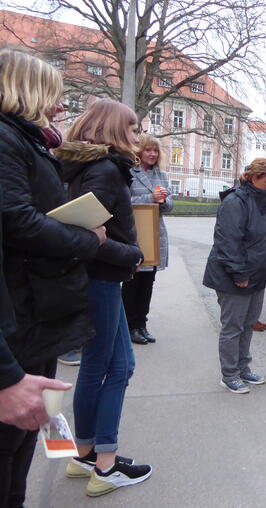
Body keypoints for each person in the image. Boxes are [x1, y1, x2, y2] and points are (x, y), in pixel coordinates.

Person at [0, 49, 105, 507]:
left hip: (33, 314)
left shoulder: (28, 140)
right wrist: (87, 240)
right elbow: (17, 218)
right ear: (27, 89)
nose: (61, 107)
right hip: (19, 316)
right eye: (55, 96)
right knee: (10, 441)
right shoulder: (7, 139)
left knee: (23, 442)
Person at [58, 98, 152, 497]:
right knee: (114, 368)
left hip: (96, 279)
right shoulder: (105, 171)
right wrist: (131, 254)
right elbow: (88, 238)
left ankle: (86, 455)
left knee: (107, 365)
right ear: (113, 130)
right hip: (100, 279)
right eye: (132, 129)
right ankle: (106, 463)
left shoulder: (91, 167)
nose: (138, 136)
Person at [202, 158, 266, 393]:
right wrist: (239, 273)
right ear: (254, 178)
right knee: (233, 327)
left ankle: (243, 368)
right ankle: (229, 374)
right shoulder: (236, 201)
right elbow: (228, 242)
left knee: (247, 325)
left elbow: (264, 235)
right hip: (235, 275)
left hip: (256, 273)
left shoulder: (262, 200)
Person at [120, 134, 173, 345]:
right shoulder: (129, 172)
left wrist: (164, 201)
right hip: (135, 233)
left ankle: (141, 323)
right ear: (139, 151)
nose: (152, 154)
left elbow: (170, 205)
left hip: (155, 233)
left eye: (155, 151)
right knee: (132, 282)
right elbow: (124, 201)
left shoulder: (161, 175)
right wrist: (149, 198)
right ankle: (129, 325)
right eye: (148, 150)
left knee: (148, 282)